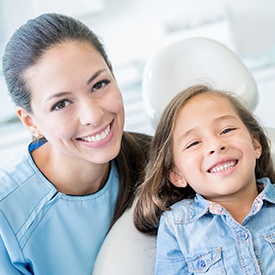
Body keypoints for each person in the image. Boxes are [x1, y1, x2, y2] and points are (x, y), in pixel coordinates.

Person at [0, 13, 151, 274]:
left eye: (99, 84)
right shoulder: (7, 218)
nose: (93, 115)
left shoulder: (158, 161)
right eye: (61, 104)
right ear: (30, 121)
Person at [134, 84, 275, 274]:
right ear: (177, 175)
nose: (216, 145)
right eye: (194, 143)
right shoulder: (177, 227)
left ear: (255, 144)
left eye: (226, 130)